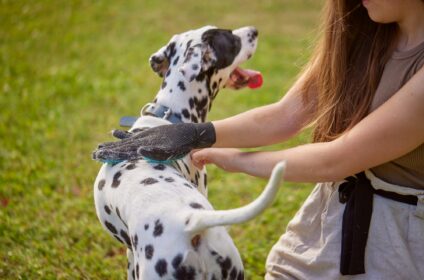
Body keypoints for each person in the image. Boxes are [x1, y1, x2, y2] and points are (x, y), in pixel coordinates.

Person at [93, 0, 424, 278]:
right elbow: (285, 115)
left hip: (398, 238)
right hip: (332, 216)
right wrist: (195, 133)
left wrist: (232, 158)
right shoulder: (365, 33)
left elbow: (335, 159)